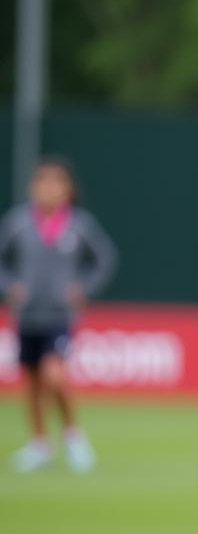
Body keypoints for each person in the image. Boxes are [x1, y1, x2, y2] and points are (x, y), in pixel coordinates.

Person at [0, 158, 117, 473]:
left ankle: (72, 435)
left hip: (59, 316)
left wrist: (84, 287)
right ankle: (39, 444)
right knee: (34, 382)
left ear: (68, 190)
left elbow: (104, 259)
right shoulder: (19, 224)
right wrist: (10, 286)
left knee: (55, 374)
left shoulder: (79, 225)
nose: (49, 190)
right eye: (42, 183)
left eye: (56, 183)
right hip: (26, 316)